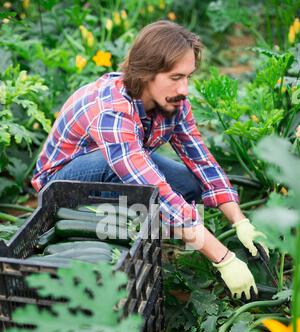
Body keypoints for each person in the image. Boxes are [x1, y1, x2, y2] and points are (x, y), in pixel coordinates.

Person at [32, 20, 268, 300]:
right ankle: (106, 240)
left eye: (188, 77)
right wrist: (224, 259)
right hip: (61, 184)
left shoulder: (173, 100)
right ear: (146, 73)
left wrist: (240, 221)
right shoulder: (111, 110)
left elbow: (202, 161)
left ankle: (149, 237)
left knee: (190, 186)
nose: (185, 88)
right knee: (147, 185)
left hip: (121, 169)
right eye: (175, 77)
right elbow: (152, 186)